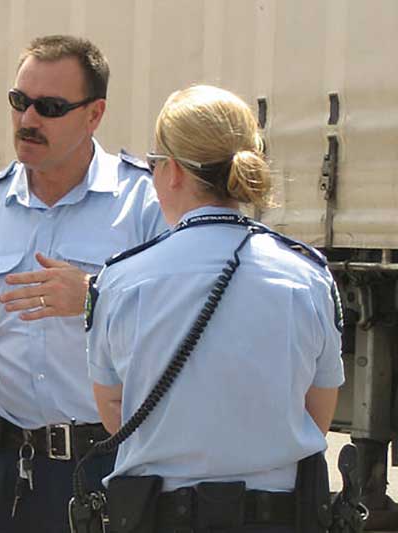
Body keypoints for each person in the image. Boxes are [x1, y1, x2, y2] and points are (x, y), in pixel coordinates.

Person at [0, 35, 166, 532]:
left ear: (94, 114)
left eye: (50, 107)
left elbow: (184, 330)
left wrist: (95, 300)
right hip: (0, 470)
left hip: (104, 466)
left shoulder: (143, 203)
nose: (28, 120)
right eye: (20, 102)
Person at [85, 85, 344, 533]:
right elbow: (318, 411)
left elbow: (115, 411)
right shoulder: (307, 275)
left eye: (154, 163)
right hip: (277, 519)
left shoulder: (122, 280)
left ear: (174, 173)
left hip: (159, 517)